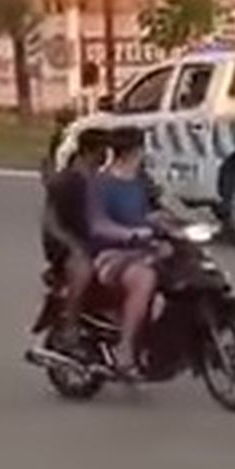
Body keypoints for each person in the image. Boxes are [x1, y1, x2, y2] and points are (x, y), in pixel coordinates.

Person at [85, 127, 162, 377]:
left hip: (143, 250)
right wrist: (131, 234)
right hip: (109, 257)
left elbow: (152, 213)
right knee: (144, 278)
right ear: (133, 150)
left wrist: (178, 226)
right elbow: (98, 225)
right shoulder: (101, 183)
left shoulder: (141, 181)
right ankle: (125, 350)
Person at [40, 127, 108, 355]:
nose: (106, 156)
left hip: (93, 239)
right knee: (83, 268)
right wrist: (72, 245)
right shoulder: (66, 182)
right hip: (65, 244)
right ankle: (70, 326)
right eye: (102, 151)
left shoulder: (99, 180)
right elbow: (50, 222)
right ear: (89, 151)